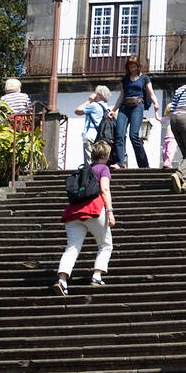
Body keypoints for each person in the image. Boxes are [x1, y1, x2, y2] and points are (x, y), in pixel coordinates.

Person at [54, 140, 116, 296]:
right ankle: (97, 275)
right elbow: (105, 189)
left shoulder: (84, 170)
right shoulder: (104, 169)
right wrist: (109, 211)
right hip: (94, 209)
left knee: (72, 247)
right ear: (107, 155)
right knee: (106, 244)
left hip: (74, 212)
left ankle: (62, 280)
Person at [108, 56, 158, 168]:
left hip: (137, 106)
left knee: (133, 135)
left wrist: (156, 104)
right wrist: (113, 110)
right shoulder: (125, 79)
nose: (132, 68)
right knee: (119, 134)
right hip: (124, 107)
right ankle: (120, 162)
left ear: (138, 66)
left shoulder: (144, 78)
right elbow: (121, 95)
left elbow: (151, 93)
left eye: (134, 66)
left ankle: (144, 165)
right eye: (130, 66)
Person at [75, 85, 112, 165]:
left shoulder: (94, 105)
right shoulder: (107, 108)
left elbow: (77, 111)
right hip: (101, 138)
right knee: (99, 163)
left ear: (98, 94)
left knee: (89, 164)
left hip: (90, 137)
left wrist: (89, 100)